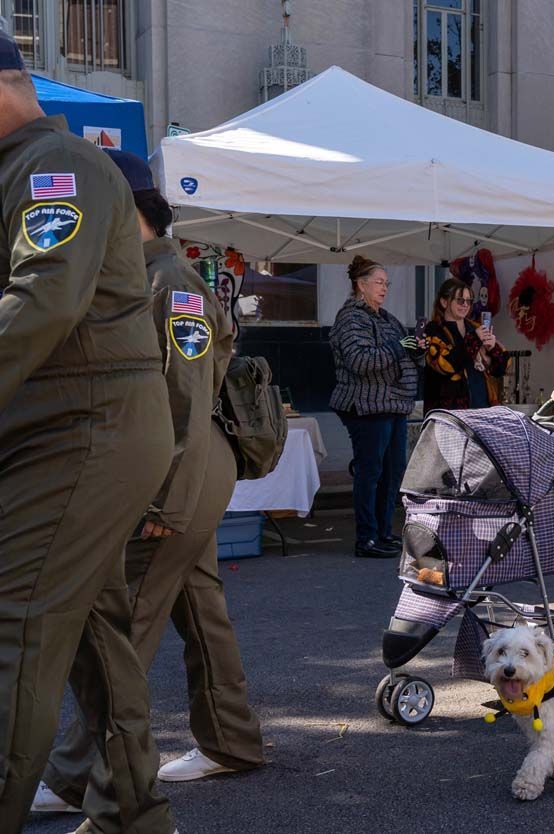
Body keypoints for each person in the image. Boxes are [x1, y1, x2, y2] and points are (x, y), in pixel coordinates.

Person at [32, 151, 265, 820]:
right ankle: (231, 740)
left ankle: (77, 779)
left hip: (178, 468)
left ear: (125, 210)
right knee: (199, 609)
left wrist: (165, 499)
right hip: (186, 466)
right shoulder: (149, 274)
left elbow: (185, 395)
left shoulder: (169, 280)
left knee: (121, 626)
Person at [0, 31, 177, 834]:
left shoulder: (53, 166)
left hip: (80, 430)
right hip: (75, 429)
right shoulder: (27, 166)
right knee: (94, 639)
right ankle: (131, 814)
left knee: (16, 625)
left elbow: (44, 298)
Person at [330, 255, 422, 559]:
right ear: (361, 284)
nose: (385, 288)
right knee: (370, 472)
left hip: (394, 403)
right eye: (379, 282)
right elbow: (360, 362)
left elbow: (403, 354)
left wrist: (417, 350)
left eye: (387, 283)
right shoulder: (350, 318)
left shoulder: (387, 319)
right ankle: (366, 537)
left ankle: (383, 532)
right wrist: (399, 347)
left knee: (393, 472)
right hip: (366, 405)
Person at [423, 277, 507, 410]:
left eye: (469, 301)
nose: (465, 305)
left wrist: (492, 350)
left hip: (483, 409)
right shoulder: (433, 329)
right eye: (460, 300)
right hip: (449, 412)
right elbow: (446, 365)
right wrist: (474, 339)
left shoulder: (475, 327)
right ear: (444, 302)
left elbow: (501, 369)